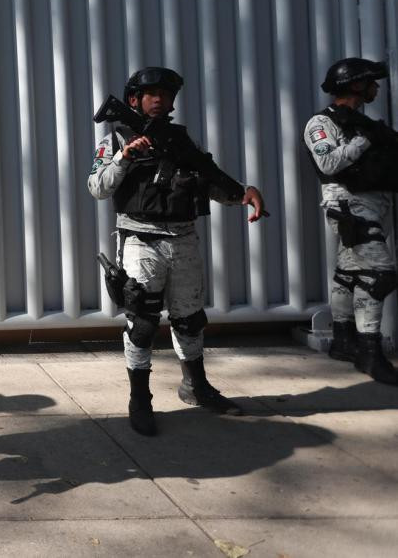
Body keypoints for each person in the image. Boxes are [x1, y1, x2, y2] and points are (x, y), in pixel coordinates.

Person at [87, 67, 267, 436]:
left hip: (184, 239)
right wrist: (125, 157)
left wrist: (242, 193)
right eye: (151, 94)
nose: (159, 100)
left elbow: (209, 177)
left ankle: (195, 386)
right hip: (140, 240)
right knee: (142, 323)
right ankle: (140, 399)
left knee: (189, 319)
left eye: (166, 95)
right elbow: (97, 187)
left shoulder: (183, 141)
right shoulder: (117, 137)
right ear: (134, 99)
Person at [304, 58, 397, 385]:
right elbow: (328, 162)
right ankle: (370, 352)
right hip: (347, 203)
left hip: (375, 203)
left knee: (349, 272)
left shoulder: (363, 123)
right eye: (371, 81)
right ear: (356, 84)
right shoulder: (322, 122)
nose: (377, 87)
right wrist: (365, 141)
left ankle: (343, 340)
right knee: (379, 273)